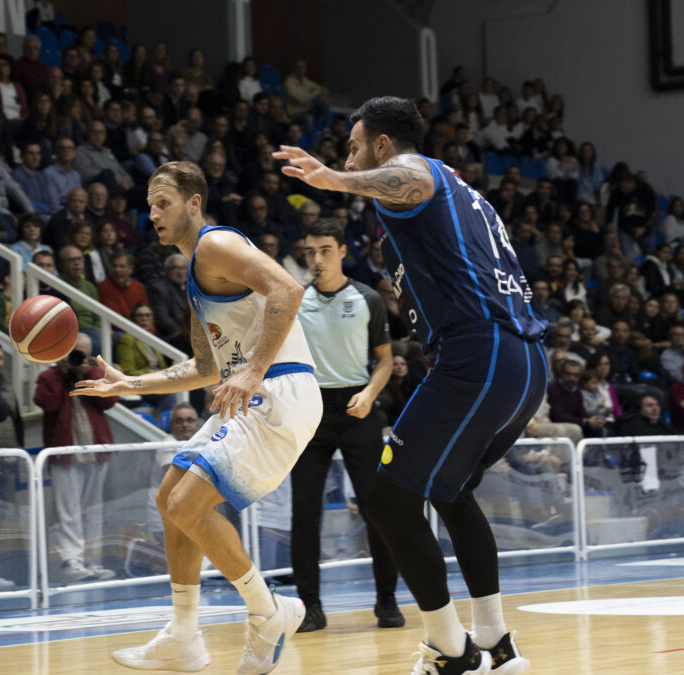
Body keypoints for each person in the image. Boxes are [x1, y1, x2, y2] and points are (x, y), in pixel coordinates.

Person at [274, 96, 545, 673]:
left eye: (353, 147)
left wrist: (332, 177)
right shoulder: (466, 195)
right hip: (523, 360)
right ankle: (496, 643)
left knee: (386, 500)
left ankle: (451, 651)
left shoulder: (421, 173)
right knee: (448, 493)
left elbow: (410, 173)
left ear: (380, 145)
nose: (347, 158)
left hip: (481, 353)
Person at [73, 161, 320, 674]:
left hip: (279, 388)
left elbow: (289, 290)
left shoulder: (216, 245)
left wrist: (252, 372)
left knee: (187, 503)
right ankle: (184, 635)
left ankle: (268, 612)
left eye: (162, 202)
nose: (153, 212)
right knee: (169, 498)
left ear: (193, 202)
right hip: (251, 390)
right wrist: (131, 384)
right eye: (149, 204)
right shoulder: (195, 273)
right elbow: (206, 368)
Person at [288, 219, 403, 633]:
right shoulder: (295, 300)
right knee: (304, 515)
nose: (315, 258)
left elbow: (386, 360)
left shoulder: (368, 298)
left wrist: (371, 393)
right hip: (311, 412)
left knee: (378, 510)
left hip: (358, 410)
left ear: (340, 251)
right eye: (309, 251)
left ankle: (387, 601)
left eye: (323, 250)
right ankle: (310, 607)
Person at [35, 334, 118, 582]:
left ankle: (92, 560)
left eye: (82, 354)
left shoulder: (93, 374)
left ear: (90, 355)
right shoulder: (50, 376)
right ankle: (71, 560)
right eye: (74, 353)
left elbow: (110, 401)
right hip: (65, 454)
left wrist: (87, 374)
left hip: (95, 452)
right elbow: (46, 402)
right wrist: (63, 373)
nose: (77, 358)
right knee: (68, 511)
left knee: (93, 510)